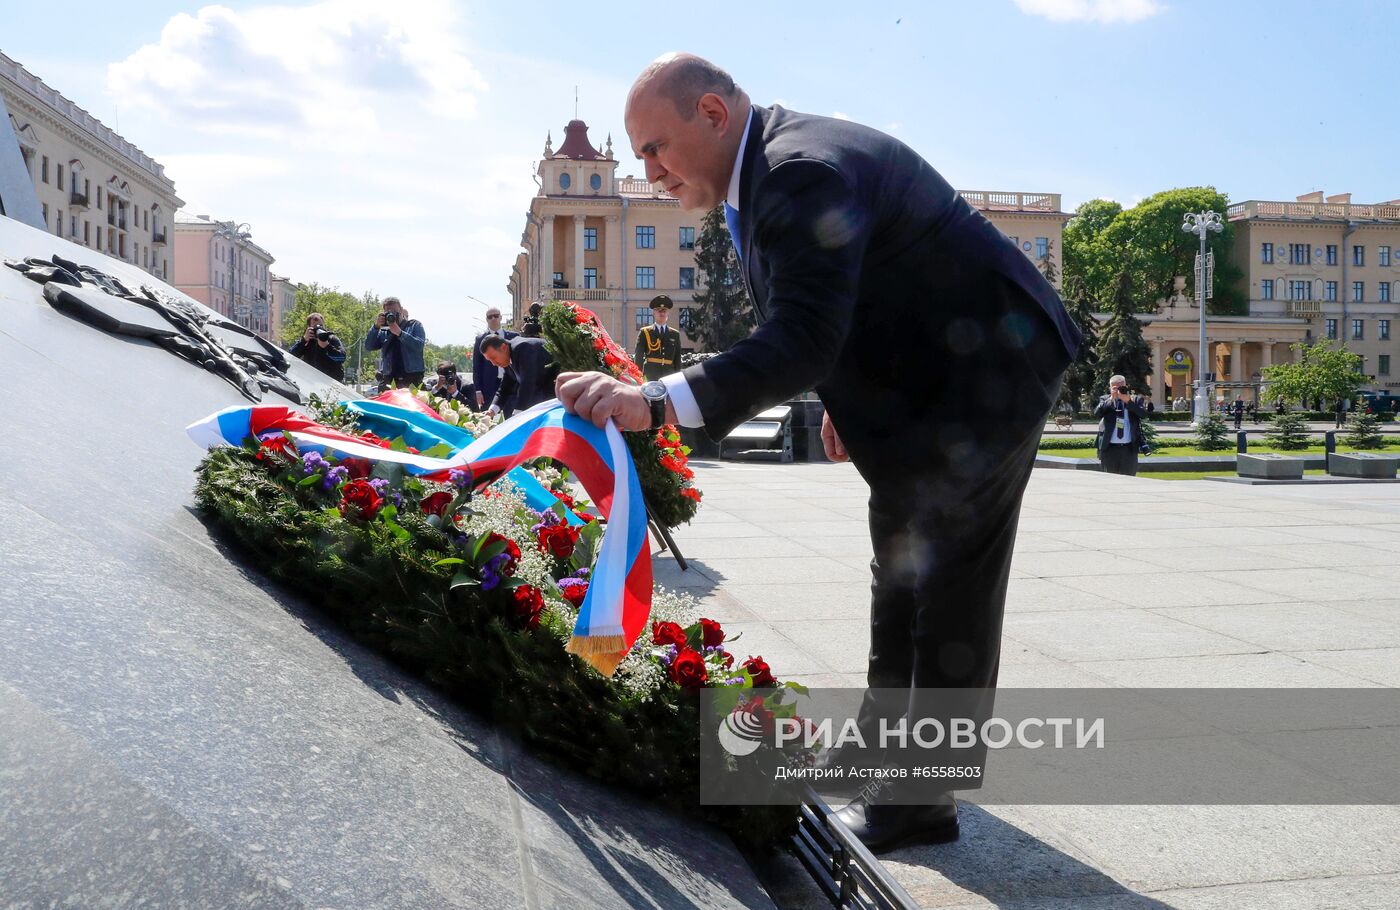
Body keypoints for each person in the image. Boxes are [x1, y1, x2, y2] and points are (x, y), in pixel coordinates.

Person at [552, 54, 1080, 851]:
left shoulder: (795, 170)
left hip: (989, 371)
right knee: (901, 562)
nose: (650, 173)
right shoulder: (768, 169)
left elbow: (800, 335)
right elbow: (832, 304)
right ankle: (878, 750)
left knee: (949, 578)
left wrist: (656, 401)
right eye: (639, 158)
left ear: (713, 115)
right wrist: (840, 399)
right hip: (926, 376)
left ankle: (919, 802)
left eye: (656, 149)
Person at [482, 334, 559, 416]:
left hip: (558, 390)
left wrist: (518, 414)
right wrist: (491, 411)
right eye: (490, 361)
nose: (493, 364)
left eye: (493, 358)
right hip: (544, 393)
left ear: (503, 347)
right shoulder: (507, 356)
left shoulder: (523, 348)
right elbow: (506, 386)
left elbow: (527, 384)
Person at [364, 296, 426, 390]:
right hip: (389, 379)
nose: (391, 314)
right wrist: (376, 327)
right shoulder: (384, 331)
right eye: (388, 313)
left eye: (394, 311)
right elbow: (368, 346)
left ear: (401, 310)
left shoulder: (414, 325)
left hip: (411, 378)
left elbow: (419, 345)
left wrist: (400, 333)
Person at [1094, 376, 1147, 476]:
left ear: (1126, 386)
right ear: (1110, 388)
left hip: (1129, 449)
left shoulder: (1135, 399)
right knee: (1110, 479)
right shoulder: (1105, 399)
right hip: (1109, 449)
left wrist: (1128, 402)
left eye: (1121, 387)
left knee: (1129, 479)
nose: (1119, 390)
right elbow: (1096, 414)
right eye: (1115, 388)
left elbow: (1143, 414)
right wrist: (1110, 400)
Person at [472, 306, 518, 411]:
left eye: (496, 316)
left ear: (501, 317)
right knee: (487, 417)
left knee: (511, 417)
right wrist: (478, 390)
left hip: (511, 384)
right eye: (490, 317)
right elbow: (477, 366)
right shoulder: (480, 339)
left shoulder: (513, 336)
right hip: (488, 385)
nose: (493, 319)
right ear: (486, 319)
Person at [634, 294, 683, 380]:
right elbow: (639, 358)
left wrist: (678, 379)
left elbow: (677, 360)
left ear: (668, 313)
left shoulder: (675, 334)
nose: (662, 313)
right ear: (653, 313)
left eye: (664, 311)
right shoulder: (645, 332)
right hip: (650, 375)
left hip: (669, 376)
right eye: (659, 310)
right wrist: (638, 377)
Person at [288, 312, 346, 381]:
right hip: (311, 383)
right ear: (309, 328)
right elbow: (290, 357)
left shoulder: (331, 339)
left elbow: (342, 358)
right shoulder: (306, 341)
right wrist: (304, 340)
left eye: (321, 326)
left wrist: (327, 347)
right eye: (315, 327)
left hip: (330, 384)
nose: (318, 329)